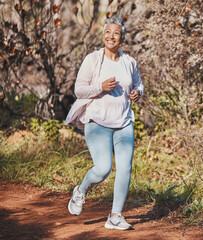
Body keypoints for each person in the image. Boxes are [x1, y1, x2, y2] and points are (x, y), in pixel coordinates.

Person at [64, 17, 144, 230]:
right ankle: (80, 191)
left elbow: (138, 83)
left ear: (122, 38)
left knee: (125, 168)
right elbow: (79, 90)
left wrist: (138, 93)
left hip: (124, 123)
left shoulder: (129, 62)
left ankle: (115, 216)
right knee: (103, 169)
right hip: (97, 122)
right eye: (108, 32)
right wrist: (100, 87)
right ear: (103, 35)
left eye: (116, 33)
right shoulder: (93, 59)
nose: (111, 36)